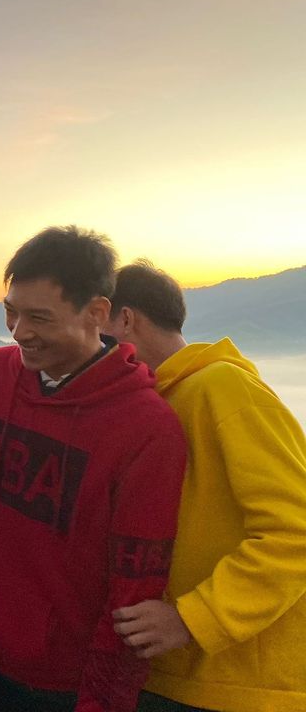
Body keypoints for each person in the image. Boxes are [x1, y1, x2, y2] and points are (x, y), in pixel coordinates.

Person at [0, 226, 188, 712]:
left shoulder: (148, 429)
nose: (20, 331)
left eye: (39, 317)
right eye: (11, 312)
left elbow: (135, 586)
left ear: (97, 313)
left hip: (59, 677)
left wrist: (104, 699)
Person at [106, 261, 306, 712]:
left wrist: (193, 619)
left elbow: (295, 531)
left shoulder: (224, 386)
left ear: (124, 319)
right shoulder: (156, 400)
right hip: (170, 672)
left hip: (240, 688)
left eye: (94, 325)